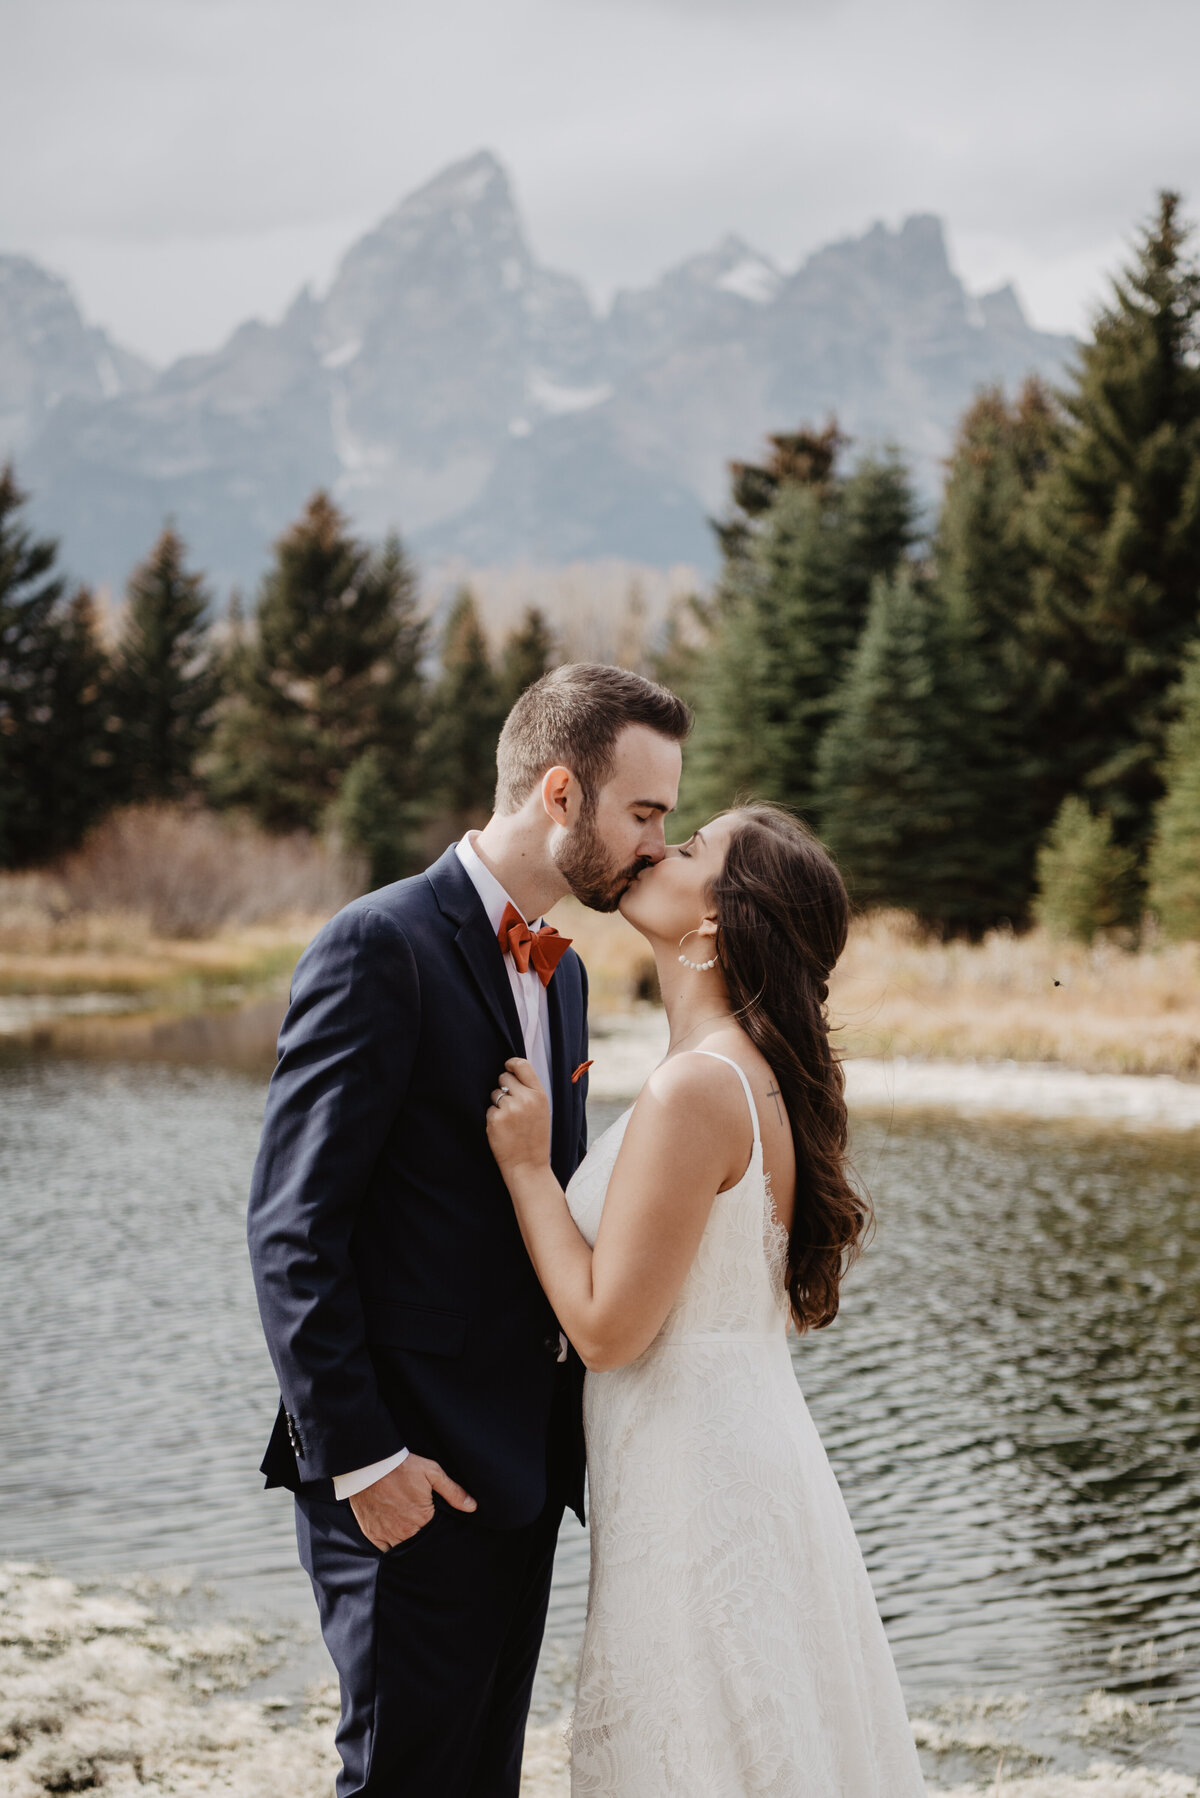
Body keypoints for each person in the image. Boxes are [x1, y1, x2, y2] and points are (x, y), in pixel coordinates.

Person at [246, 663, 691, 1798]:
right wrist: (363, 1460)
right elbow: (294, 1228)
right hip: (406, 1472)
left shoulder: (571, 973)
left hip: (521, 1469)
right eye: (643, 813)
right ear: (559, 791)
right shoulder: (377, 945)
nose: (653, 844)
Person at [486, 803, 928, 1797]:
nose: (656, 847)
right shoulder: (744, 1071)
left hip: (696, 1484)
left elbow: (604, 1329)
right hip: (730, 1454)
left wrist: (526, 1170)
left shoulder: (700, 1085)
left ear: (716, 922)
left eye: (688, 850)